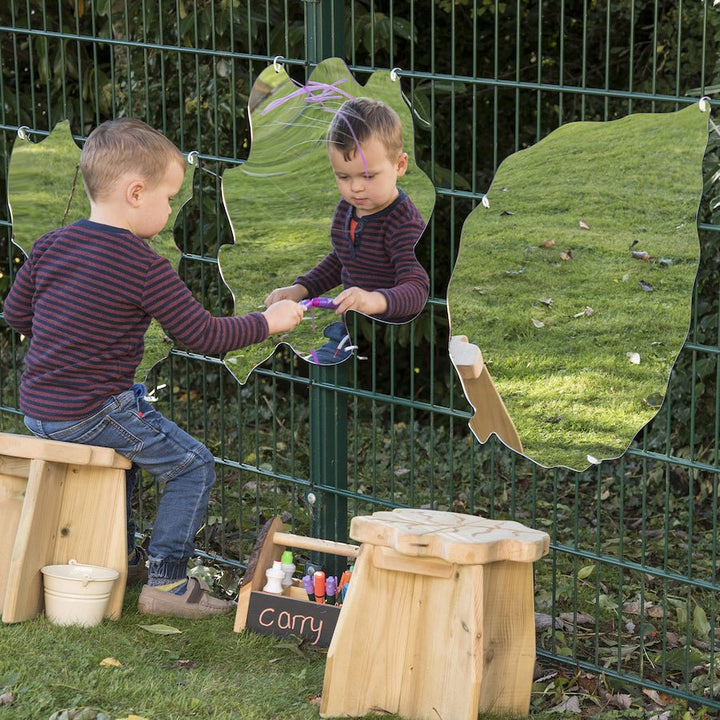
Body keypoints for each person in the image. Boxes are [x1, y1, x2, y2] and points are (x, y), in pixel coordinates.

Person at [3, 117, 305, 618]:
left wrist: (67, 336)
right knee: (192, 466)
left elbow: (15, 315)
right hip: (92, 411)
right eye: (169, 198)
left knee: (122, 459)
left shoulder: (50, 246)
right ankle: (165, 583)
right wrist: (269, 323)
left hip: (38, 409)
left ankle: (110, 559)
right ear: (136, 193)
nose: (171, 210)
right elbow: (205, 336)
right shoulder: (144, 266)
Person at [264, 97, 429, 363]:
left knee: (324, 368)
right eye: (344, 177)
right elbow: (342, 259)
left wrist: (373, 301)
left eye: (368, 176)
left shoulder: (403, 223)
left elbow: (417, 289)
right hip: (354, 327)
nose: (355, 188)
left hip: (391, 335)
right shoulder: (347, 209)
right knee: (316, 365)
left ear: (399, 165)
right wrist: (301, 289)